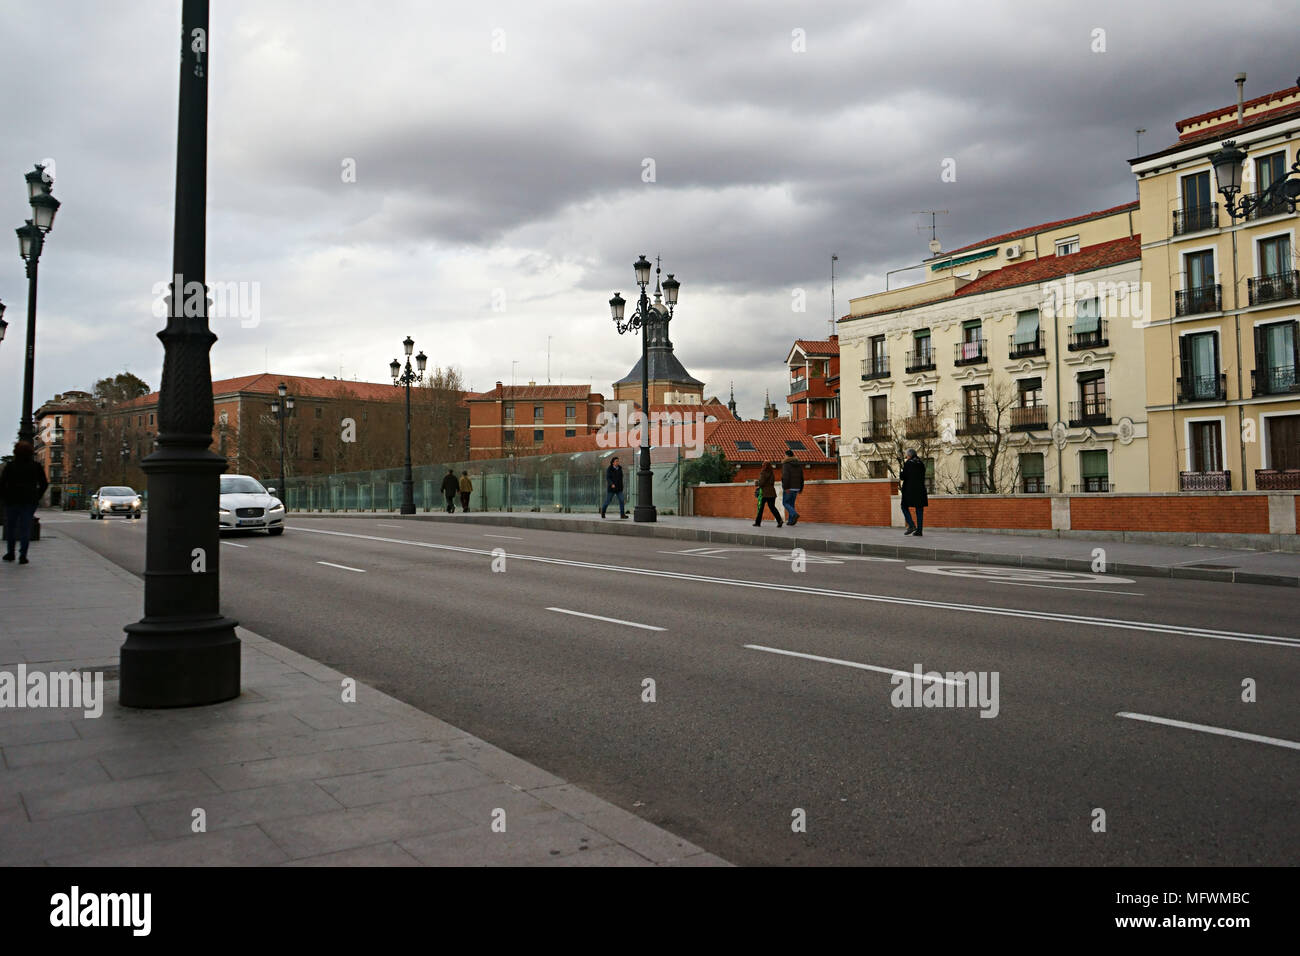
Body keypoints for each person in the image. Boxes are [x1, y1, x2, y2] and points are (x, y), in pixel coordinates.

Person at [1, 441, 49, 565]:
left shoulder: (10, 466)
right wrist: (37, 496)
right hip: (29, 501)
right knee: (25, 528)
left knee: (11, 527)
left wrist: (5, 496)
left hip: (12, 500)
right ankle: (23, 555)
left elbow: (2, 483)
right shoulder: (36, 466)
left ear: (15, 452)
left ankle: (10, 553)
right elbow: (44, 483)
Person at [900, 448, 928, 537]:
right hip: (920, 490)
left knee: (904, 506)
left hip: (910, 490)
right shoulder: (921, 463)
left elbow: (904, 477)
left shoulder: (909, 463)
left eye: (907, 455)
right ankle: (919, 531)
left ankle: (911, 525)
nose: (906, 457)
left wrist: (901, 472)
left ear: (909, 455)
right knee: (919, 510)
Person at [754, 461, 783, 527]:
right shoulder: (772, 473)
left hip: (764, 493)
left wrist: (756, 483)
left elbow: (761, 483)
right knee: (772, 507)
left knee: (760, 508)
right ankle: (779, 520)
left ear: (764, 466)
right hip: (772, 493)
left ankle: (758, 523)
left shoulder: (763, 472)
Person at [780, 449, 804, 526]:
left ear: (787, 455)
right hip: (796, 487)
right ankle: (791, 521)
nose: (784, 456)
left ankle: (794, 514)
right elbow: (801, 477)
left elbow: (785, 477)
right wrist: (801, 488)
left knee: (785, 503)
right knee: (791, 504)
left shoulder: (786, 464)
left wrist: (785, 487)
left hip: (789, 487)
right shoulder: (798, 464)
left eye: (785, 455)